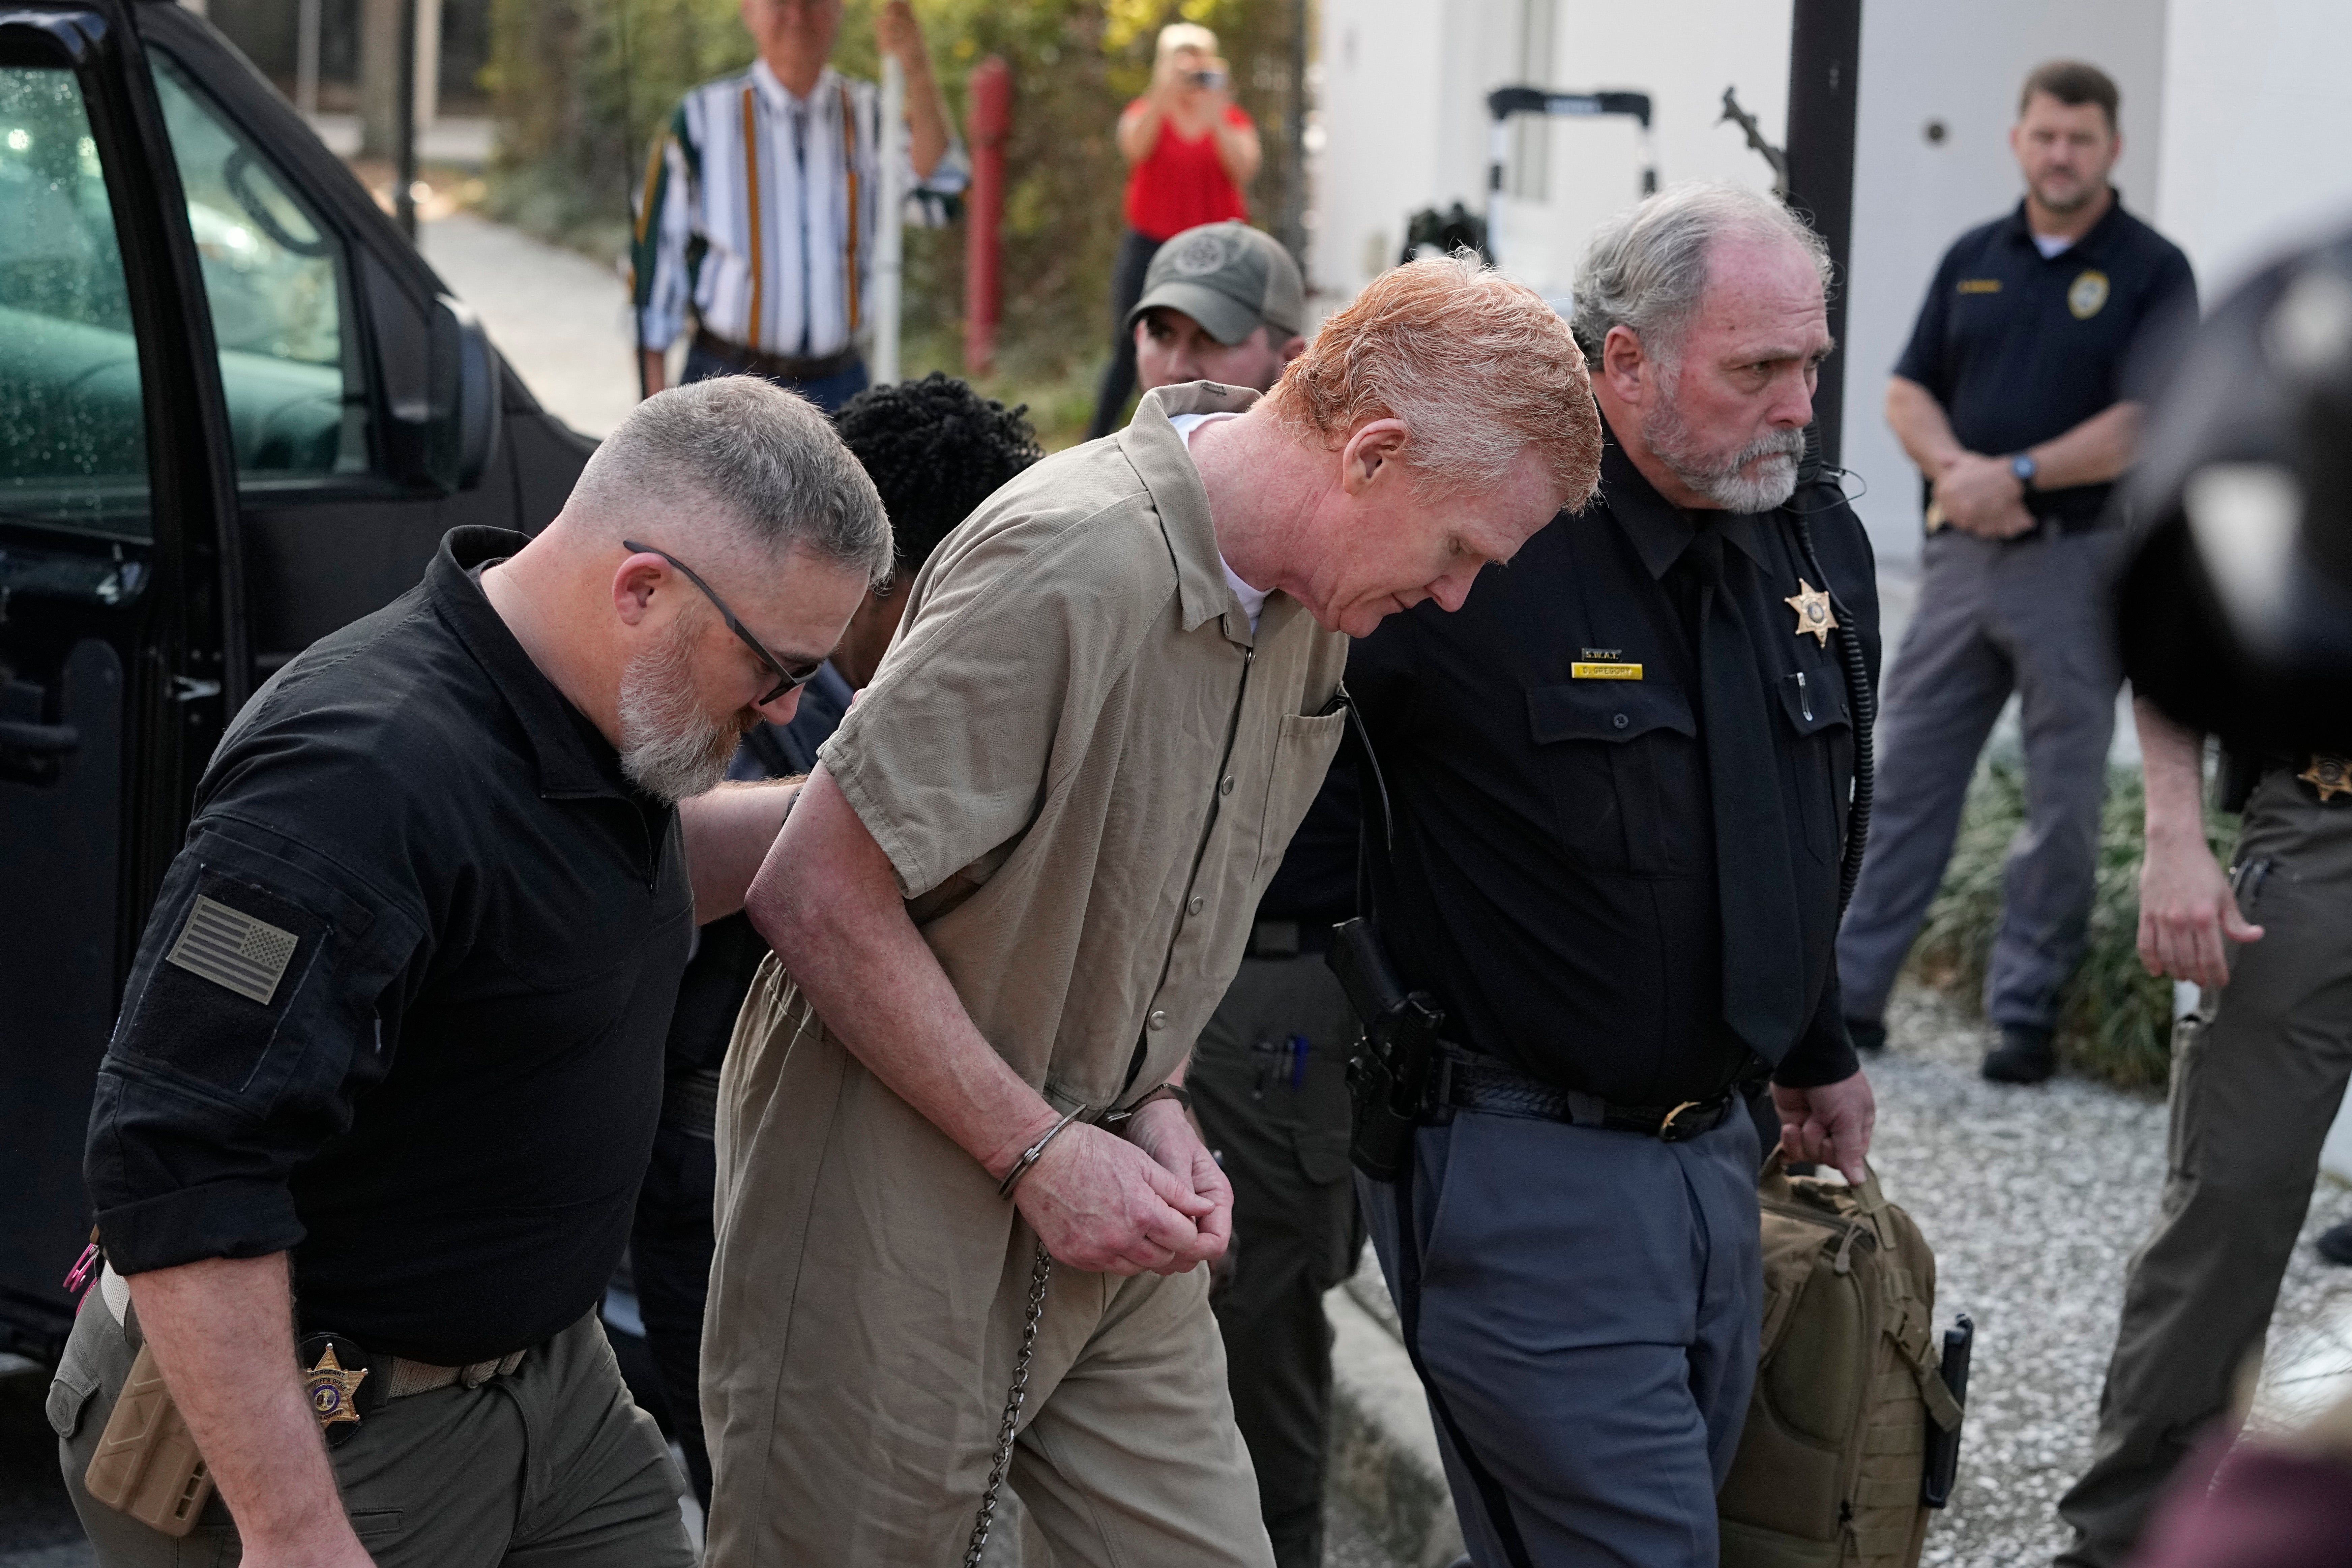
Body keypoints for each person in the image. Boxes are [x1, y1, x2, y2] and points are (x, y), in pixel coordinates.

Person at [698, 254, 1602, 1567]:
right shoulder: (1065, 556)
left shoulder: (1315, 600)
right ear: (1373, 453)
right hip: (886, 1203)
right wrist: (1038, 1154)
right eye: (1461, 549)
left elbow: (1167, 886)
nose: (1457, 595)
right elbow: (814, 890)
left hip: (1106, 1188)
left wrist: (1163, 1101)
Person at [49, 379, 890, 1568]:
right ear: (641, 590)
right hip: (325, 1429)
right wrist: (295, 1533)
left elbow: (585, 899)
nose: (789, 709)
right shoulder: (355, 780)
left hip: (550, 1383)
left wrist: (868, 812)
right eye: (776, 668)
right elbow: (176, 1158)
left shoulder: (588, 703)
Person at [1345, 183, 1879, 1566]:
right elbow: (1290, 809)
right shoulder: (1490, 532)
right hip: (1525, 1170)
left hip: (1721, 1161)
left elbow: (1794, 811)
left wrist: (1813, 1041)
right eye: (1756, 367)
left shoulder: (1811, 539)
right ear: (1623, 362)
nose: (1798, 403)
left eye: (1811, 361)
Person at [626, 374, 1043, 1507]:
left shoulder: (885, 690)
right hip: (709, 1156)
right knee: (763, 1487)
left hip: (830, 1166)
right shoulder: (757, 687)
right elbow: (671, 862)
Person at [1835, 60, 2196, 1084]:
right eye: (2045, 135)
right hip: (1959, 561)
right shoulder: (1973, 257)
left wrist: (2022, 473)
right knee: (1902, 780)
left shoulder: (2150, 269)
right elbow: (1908, 390)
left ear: (2112, 148)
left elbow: (2146, 419)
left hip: (2075, 566)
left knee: (2063, 802)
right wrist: (1959, 471)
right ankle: (1852, 996)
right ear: (2018, 141)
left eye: (2081, 138)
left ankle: (2023, 1014)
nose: (2061, 153)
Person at [1119, 219, 1345, 1568]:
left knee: (1257, 1314)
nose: (1177, 357)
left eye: (1210, 336)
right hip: (1127, 992)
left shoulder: (1340, 547)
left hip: (1278, 989)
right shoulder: (1102, 509)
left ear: (1287, 353)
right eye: (1161, 328)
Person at [2051, 706, 2352, 1567]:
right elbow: (2183, 632)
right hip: (2325, 820)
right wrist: (2170, 834)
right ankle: (2124, 1538)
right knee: (2228, 1198)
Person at [631, 0, 967, 409]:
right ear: (748, 10)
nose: (797, 14)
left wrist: (915, 66)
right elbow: (653, 279)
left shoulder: (871, 113)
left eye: (813, 1)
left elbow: (941, 194)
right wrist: (653, 419)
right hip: (726, 382)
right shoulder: (701, 120)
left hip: (840, 387)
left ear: (839, 9)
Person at [1086, 22, 1261, 438]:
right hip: (1150, 245)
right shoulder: (1146, 113)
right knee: (1129, 347)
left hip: (1216, 251)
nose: (1191, 69)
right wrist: (1163, 94)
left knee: (1218, 345)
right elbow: (1135, 148)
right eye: (1181, 60)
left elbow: (1244, 169)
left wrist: (1215, 108)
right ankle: (1096, 437)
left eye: (1199, 59)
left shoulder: (1230, 118)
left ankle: (1218, 435)